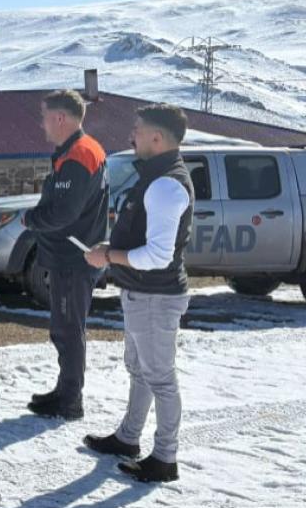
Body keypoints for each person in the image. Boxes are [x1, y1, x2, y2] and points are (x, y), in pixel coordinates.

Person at [82, 104, 194, 483]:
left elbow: (159, 256)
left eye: (138, 131)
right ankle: (128, 438)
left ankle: (164, 458)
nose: (131, 137)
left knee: (159, 377)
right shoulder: (155, 178)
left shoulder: (165, 185)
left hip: (155, 297)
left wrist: (108, 256)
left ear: (157, 138)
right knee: (139, 369)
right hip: (142, 293)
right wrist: (110, 249)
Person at [23, 90, 109, 420]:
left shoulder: (79, 155)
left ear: (61, 118)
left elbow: (64, 212)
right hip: (71, 256)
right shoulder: (80, 151)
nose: (41, 124)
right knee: (65, 327)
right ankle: (65, 390)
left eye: (45, 117)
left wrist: (32, 219)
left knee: (68, 329)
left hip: (74, 259)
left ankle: (71, 399)